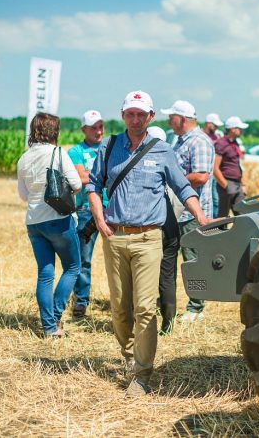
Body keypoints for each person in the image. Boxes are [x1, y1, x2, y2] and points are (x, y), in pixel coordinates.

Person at [86, 90, 210, 397]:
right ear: (123, 115)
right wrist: (100, 219)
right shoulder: (109, 146)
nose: (136, 118)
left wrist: (202, 218)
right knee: (119, 308)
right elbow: (92, 184)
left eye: (142, 114)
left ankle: (142, 373)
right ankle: (129, 355)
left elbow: (183, 187)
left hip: (149, 238)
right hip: (115, 237)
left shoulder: (162, 150)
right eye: (131, 113)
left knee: (144, 308)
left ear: (151, 116)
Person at [17, 113, 82, 338]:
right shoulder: (58, 153)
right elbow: (75, 183)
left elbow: (23, 195)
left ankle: (48, 327)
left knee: (45, 274)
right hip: (58, 219)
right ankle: (55, 317)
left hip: (34, 222)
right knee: (73, 267)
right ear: (54, 131)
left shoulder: (23, 158)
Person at [161, 100, 215, 323]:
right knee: (173, 260)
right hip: (179, 211)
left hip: (192, 213)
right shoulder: (182, 140)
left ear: (182, 119)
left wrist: (172, 180)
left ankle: (196, 307)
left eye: (171, 117)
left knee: (194, 263)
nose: (168, 121)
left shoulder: (199, 142)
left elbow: (201, 175)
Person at [67, 110, 108, 318]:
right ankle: (81, 301)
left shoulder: (110, 147)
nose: (99, 131)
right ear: (84, 129)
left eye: (100, 126)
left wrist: (92, 176)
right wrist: (104, 176)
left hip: (112, 208)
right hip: (85, 210)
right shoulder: (75, 151)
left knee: (119, 259)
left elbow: (87, 176)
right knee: (84, 259)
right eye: (94, 127)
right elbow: (80, 177)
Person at [147, 126, 179, 335]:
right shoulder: (171, 162)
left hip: (153, 226)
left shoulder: (145, 167)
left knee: (145, 276)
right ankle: (168, 325)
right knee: (167, 277)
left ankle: (143, 323)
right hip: (171, 226)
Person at [214, 116, 249, 217]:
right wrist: (225, 185)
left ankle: (244, 232)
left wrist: (243, 185)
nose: (241, 130)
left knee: (242, 214)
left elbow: (238, 165)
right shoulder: (221, 143)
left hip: (237, 184)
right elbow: (215, 168)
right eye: (239, 128)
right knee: (223, 217)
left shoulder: (235, 143)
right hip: (227, 183)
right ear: (233, 129)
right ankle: (220, 232)